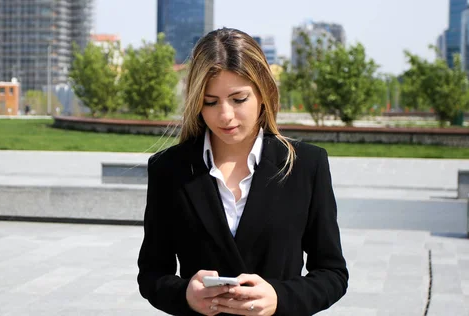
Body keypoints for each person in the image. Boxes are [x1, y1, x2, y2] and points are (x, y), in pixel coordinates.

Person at [137, 27, 348, 316]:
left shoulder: (306, 165)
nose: (225, 115)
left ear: (264, 93)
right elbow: (151, 275)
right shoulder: (169, 169)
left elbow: (333, 273)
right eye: (210, 102)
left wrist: (279, 298)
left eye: (238, 99)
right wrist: (185, 294)